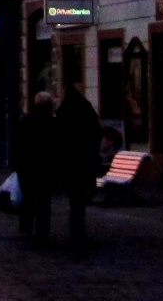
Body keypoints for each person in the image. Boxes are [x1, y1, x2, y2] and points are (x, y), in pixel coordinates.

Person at [55, 83, 102, 248]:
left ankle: (76, 230)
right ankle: (78, 230)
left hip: (69, 162)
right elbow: (97, 134)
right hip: (85, 161)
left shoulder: (63, 111)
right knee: (80, 199)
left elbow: (58, 139)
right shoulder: (87, 110)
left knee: (74, 199)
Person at [13, 91, 56, 242]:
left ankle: (26, 227)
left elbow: (18, 144)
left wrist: (18, 163)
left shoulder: (26, 121)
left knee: (28, 198)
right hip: (45, 167)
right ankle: (42, 230)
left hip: (27, 167)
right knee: (44, 200)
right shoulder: (52, 123)